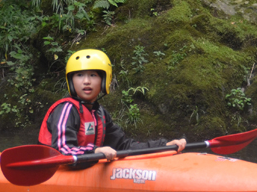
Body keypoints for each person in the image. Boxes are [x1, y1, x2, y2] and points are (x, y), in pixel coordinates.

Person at [39, 49, 186, 162]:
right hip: (58, 171)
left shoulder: (99, 113)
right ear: (71, 81)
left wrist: (162, 146)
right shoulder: (66, 110)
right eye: (79, 75)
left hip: (87, 163)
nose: (86, 81)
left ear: (104, 80)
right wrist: (95, 152)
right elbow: (62, 150)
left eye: (93, 75)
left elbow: (123, 146)